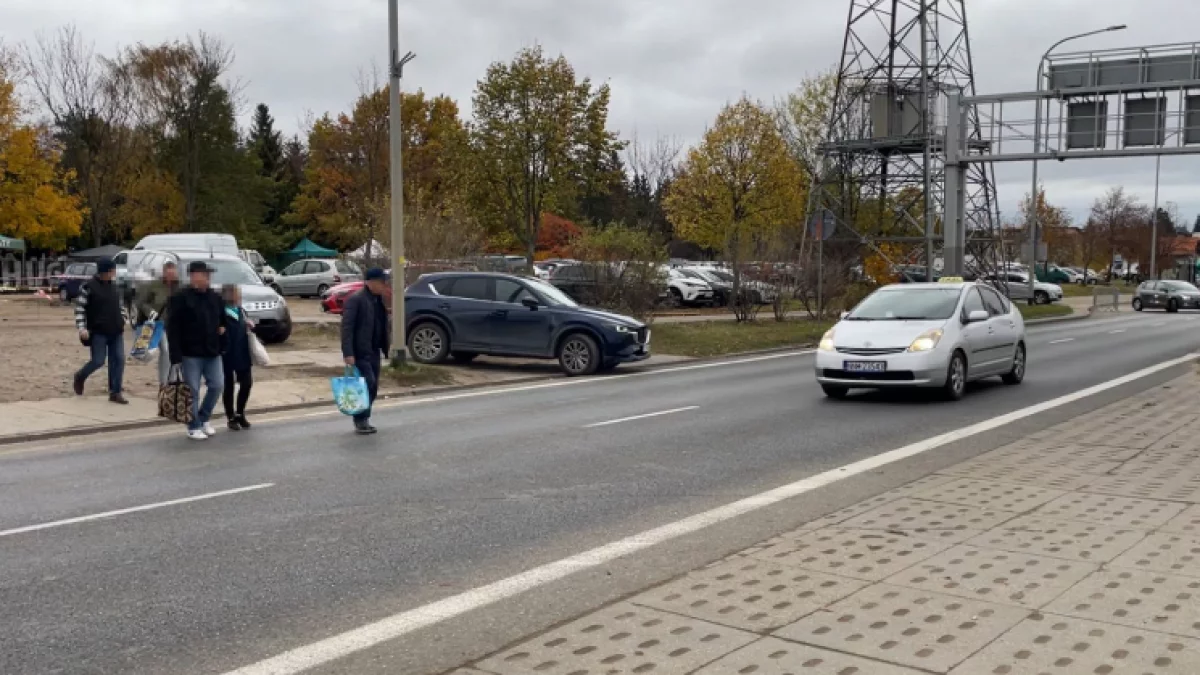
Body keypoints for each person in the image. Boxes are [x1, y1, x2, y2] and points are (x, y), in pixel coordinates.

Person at [167, 261, 227, 441]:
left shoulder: (215, 297)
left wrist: (222, 329)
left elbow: (223, 319)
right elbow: (173, 328)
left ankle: (204, 417)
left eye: (209, 275)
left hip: (212, 351)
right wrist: (175, 355)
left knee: (217, 385)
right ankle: (193, 426)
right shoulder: (180, 298)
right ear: (193, 276)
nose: (208, 278)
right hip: (190, 352)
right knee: (191, 390)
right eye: (204, 274)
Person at [340, 268, 390, 434]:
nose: (384, 285)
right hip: (360, 352)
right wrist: (348, 353)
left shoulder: (378, 300)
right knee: (367, 384)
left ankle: (364, 418)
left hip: (374, 350)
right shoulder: (356, 300)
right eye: (381, 282)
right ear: (370, 282)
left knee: (373, 387)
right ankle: (360, 419)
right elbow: (347, 328)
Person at [73, 258, 129, 404]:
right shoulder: (88, 287)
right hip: (98, 331)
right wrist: (81, 328)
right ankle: (80, 376)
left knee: (118, 360)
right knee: (98, 361)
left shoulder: (115, 287)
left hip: (116, 330)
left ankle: (115, 392)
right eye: (113, 270)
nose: (115, 273)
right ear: (107, 271)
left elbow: (121, 305)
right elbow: (79, 309)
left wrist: (123, 318)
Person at [133, 260, 180, 385]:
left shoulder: (179, 288)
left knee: (170, 351)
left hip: (172, 324)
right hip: (156, 323)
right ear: (164, 273)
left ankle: (171, 379)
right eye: (168, 273)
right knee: (164, 349)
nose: (170, 277)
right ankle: (164, 382)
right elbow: (140, 302)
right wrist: (150, 311)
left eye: (173, 273)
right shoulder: (154, 286)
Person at [220, 285, 255, 431]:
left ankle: (240, 412)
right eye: (235, 294)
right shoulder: (221, 312)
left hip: (242, 352)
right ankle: (231, 417)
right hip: (226, 353)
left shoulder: (241, 311)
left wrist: (250, 325)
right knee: (228, 386)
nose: (238, 296)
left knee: (246, 383)